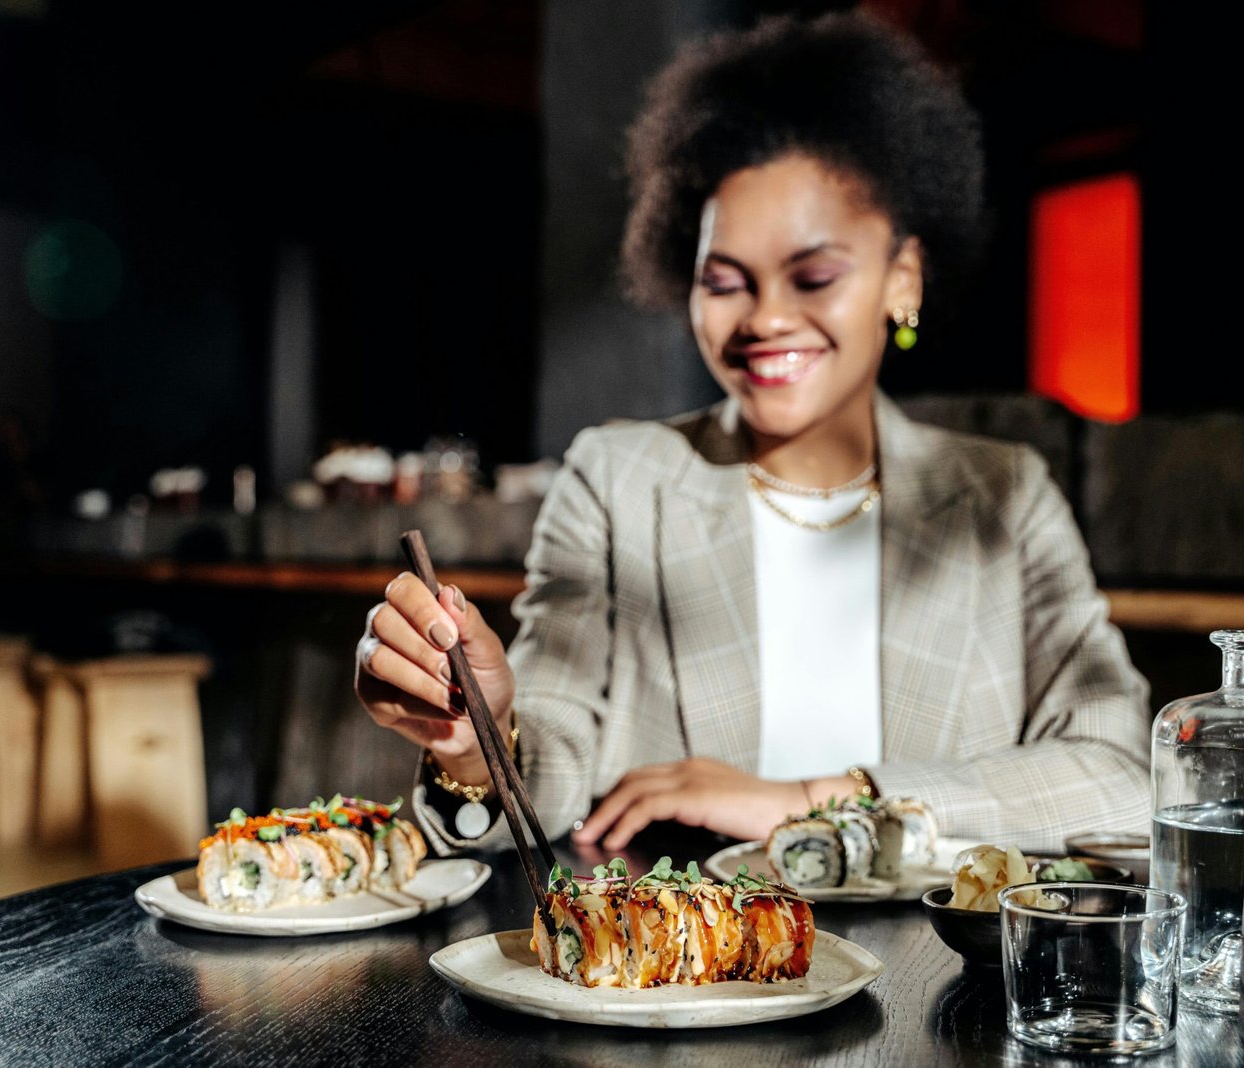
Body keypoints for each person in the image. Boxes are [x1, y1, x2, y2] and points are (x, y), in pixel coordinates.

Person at [355, 13, 1149, 856]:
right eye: (726, 283)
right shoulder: (621, 482)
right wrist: (479, 740)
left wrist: (813, 801)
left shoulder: (1004, 497)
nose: (767, 318)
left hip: (947, 979)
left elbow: (1122, 779)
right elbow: (554, 750)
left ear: (902, 276)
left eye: (813, 276)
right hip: (694, 976)